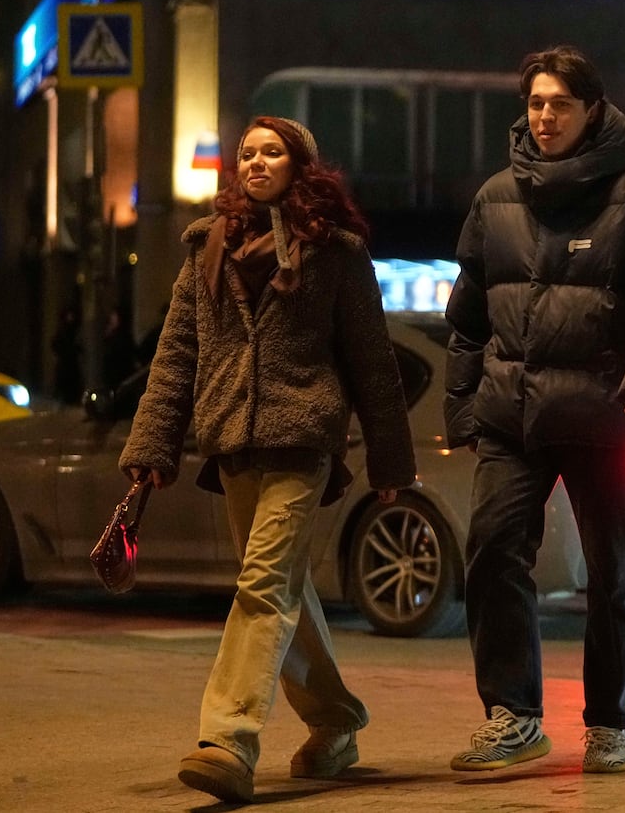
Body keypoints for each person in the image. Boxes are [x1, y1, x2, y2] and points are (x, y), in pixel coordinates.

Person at [118, 116, 417, 804]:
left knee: (260, 586)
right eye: (247, 152)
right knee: (284, 592)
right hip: (232, 441)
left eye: (271, 151)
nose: (256, 161)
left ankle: (229, 738)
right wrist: (152, 447)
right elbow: (177, 356)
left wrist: (391, 464)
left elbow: (373, 363)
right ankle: (336, 720)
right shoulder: (207, 248)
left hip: (303, 439)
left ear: (300, 165)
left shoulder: (337, 254)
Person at [443, 45, 625, 774]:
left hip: (604, 417)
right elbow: (468, 315)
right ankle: (513, 714)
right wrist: (464, 407)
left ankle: (608, 721)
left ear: (592, 109)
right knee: (494, 551)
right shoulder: (497, 196)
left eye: (560, 103)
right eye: (535, 102)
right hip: (513, 418)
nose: (545, 115)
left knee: (613, 572)